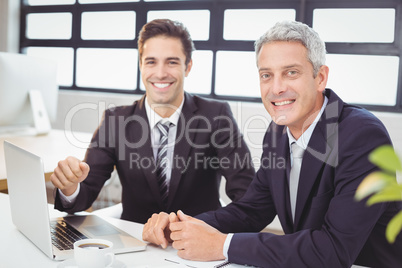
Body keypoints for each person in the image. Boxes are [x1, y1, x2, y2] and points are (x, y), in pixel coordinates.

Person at [142, 20, 402, 267]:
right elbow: (252, 210)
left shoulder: (362, 135)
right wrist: (179, 225)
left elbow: (333, 250)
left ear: (320, 77)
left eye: (291, 72)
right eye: (266, 75)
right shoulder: (278, 131)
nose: (276, 88)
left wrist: (224, 245)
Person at [50, 19, 255, 224]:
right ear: (141, 65)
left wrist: (204, 226)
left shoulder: (216, 115)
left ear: (188, 66)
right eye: (151, 61)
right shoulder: (115, 121)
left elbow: (248, 197)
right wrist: (70, 186)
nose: (160, 73)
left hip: (197, 244)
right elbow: (84, 193)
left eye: (172, 62)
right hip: (136, 241)